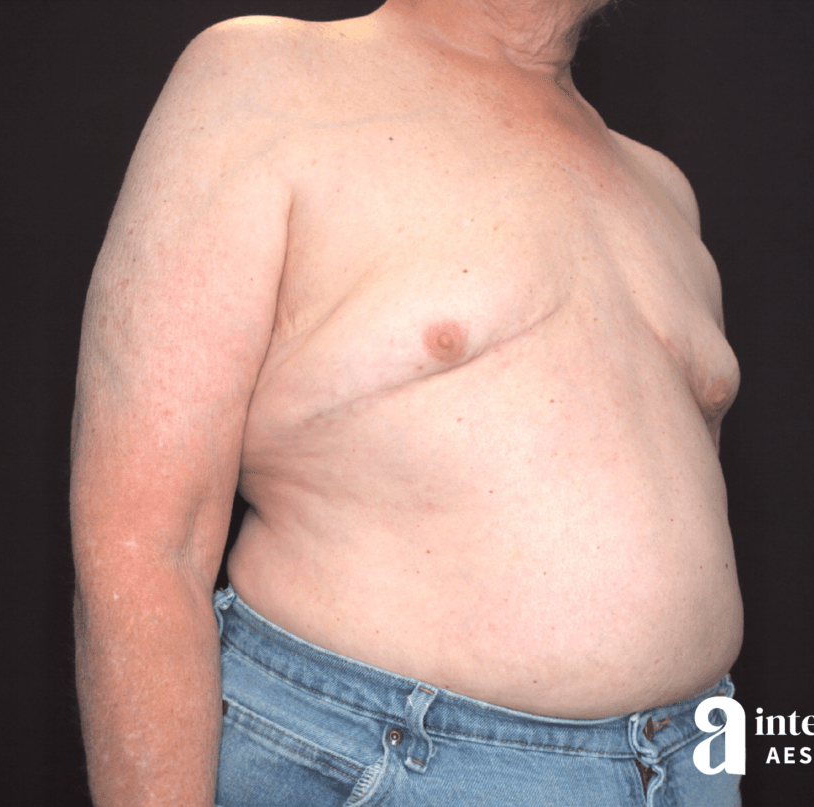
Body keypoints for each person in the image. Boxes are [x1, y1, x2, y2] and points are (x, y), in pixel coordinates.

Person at [70, 1, 744, 804]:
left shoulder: (662, 187)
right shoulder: (264, 78)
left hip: (694, 761)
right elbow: (146, 540)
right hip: (398, 762)